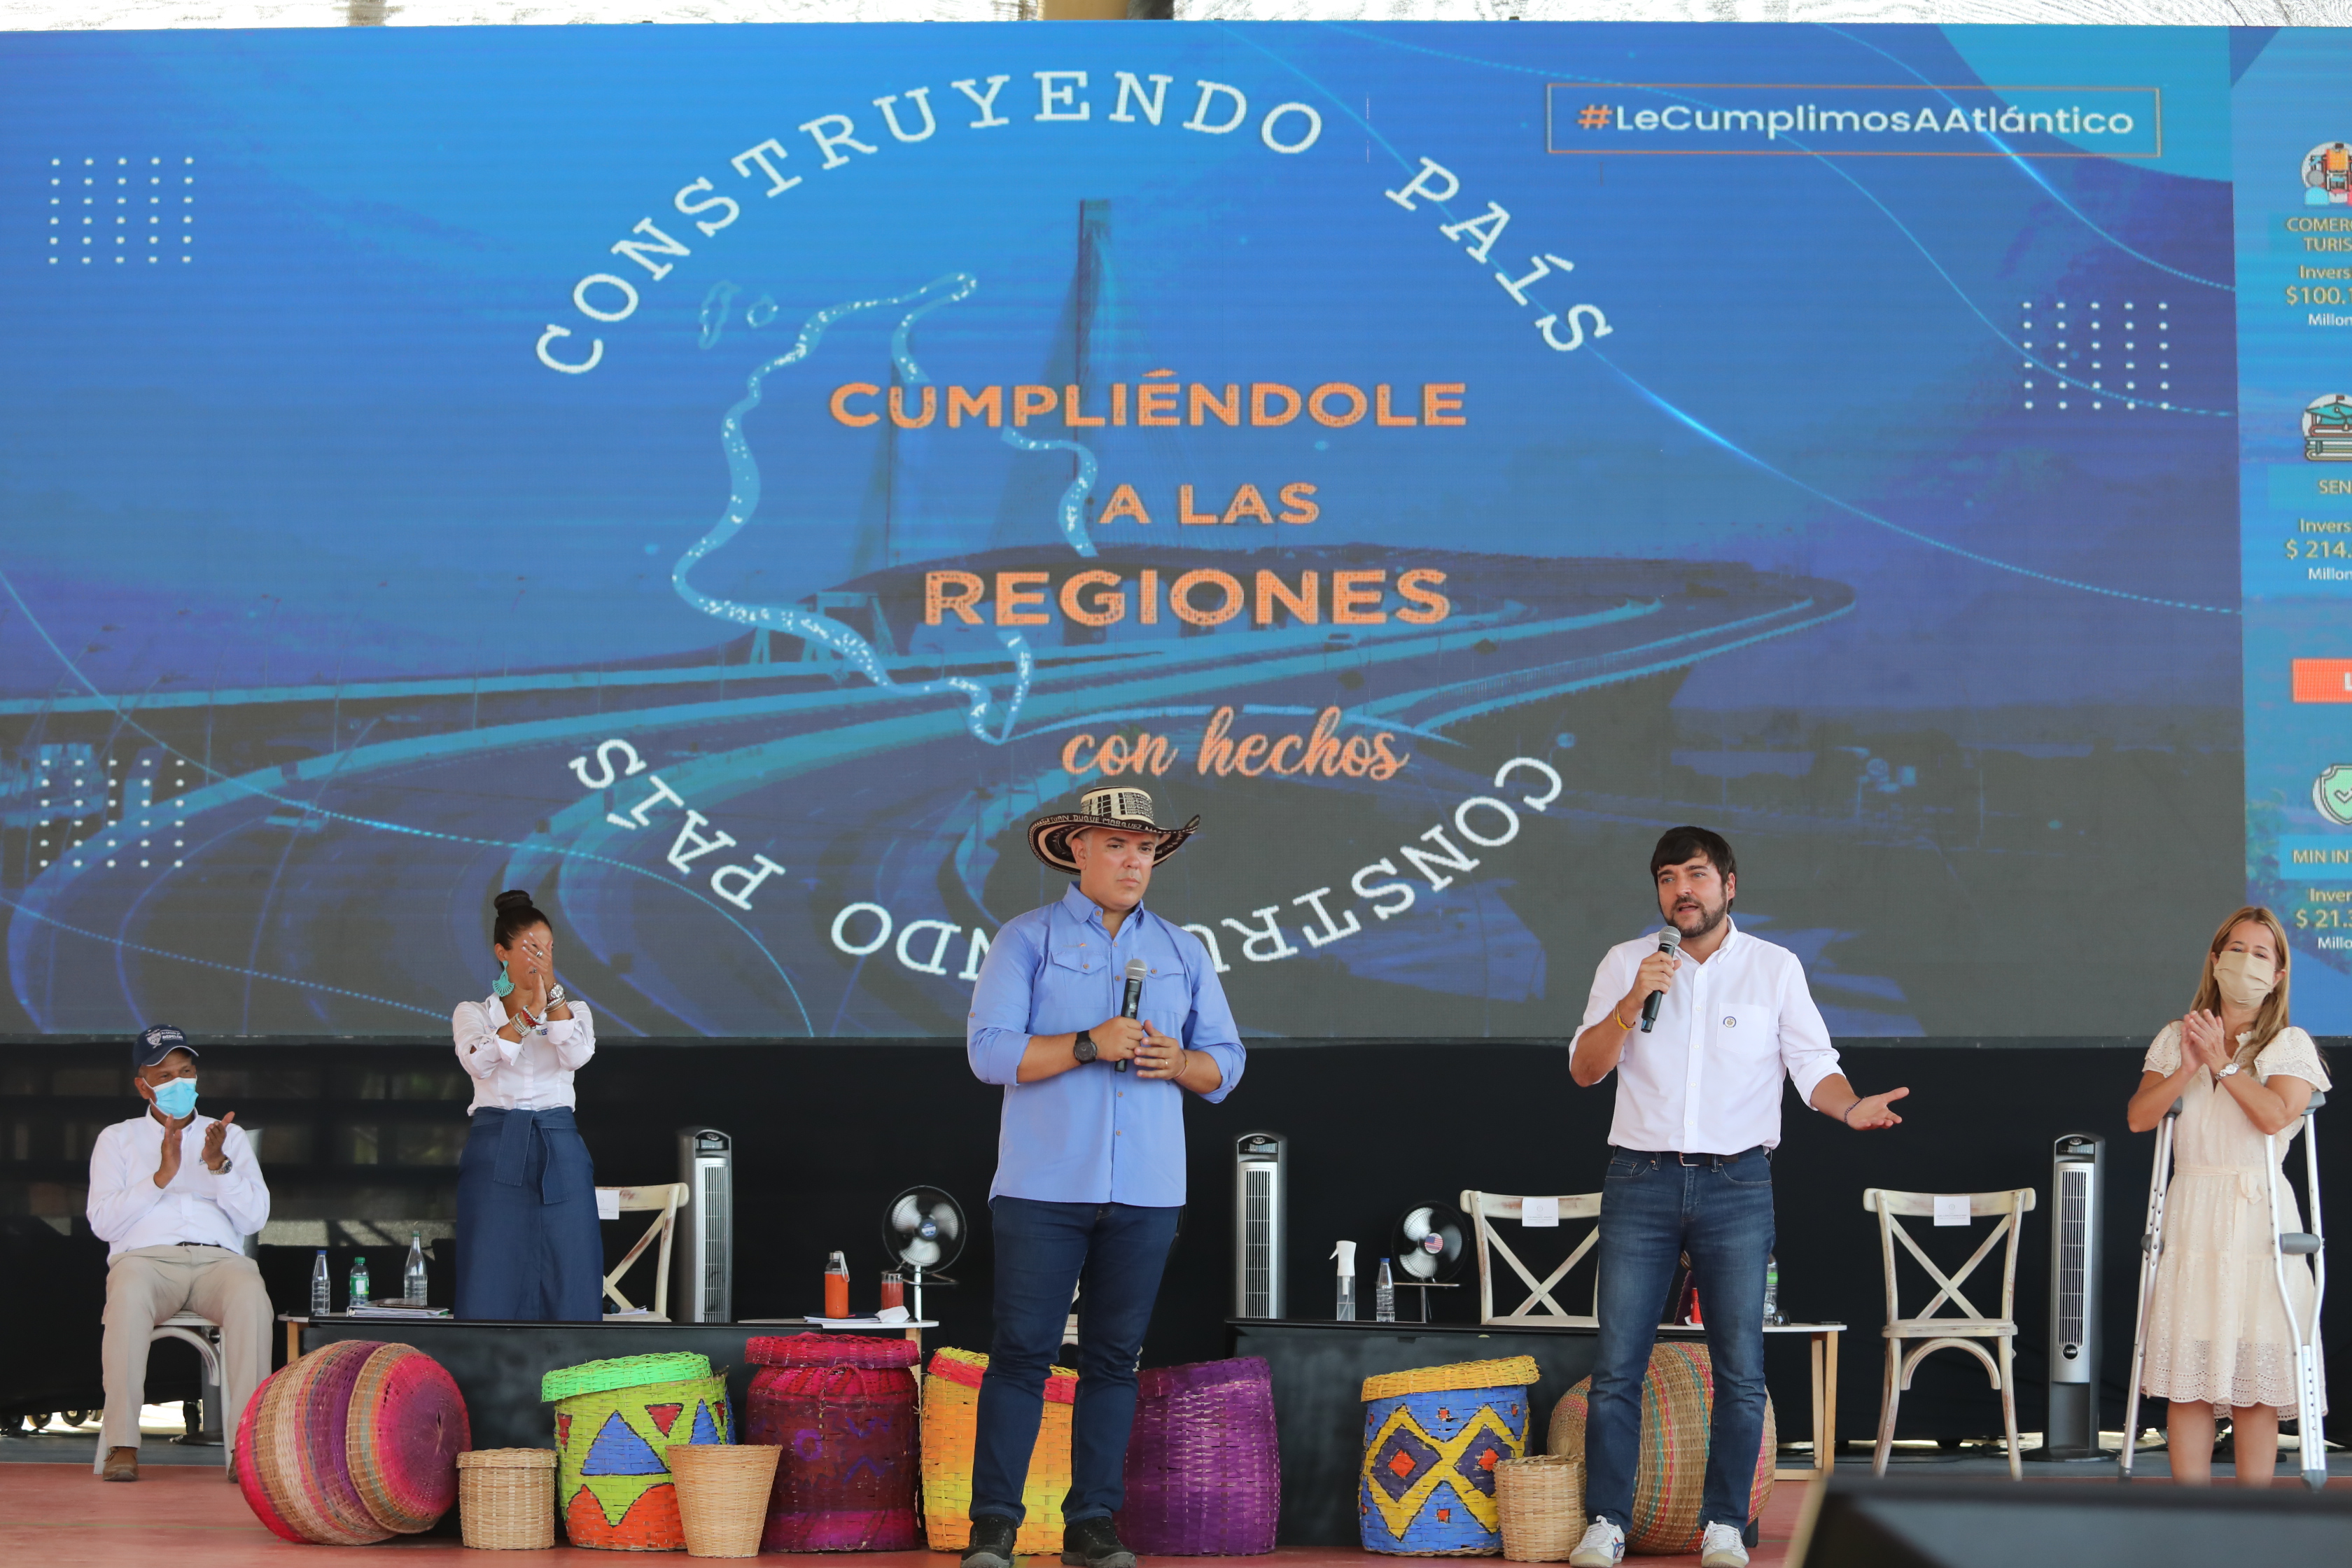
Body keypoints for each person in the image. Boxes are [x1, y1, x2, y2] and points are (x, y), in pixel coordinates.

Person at [1566, 827, 1910, 1568]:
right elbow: (1586, 1069)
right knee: (1619, 1362)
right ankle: (1607, 1521)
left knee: (1740, 1368)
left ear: (1729, 884)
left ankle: (1724, 1523)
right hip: (1641, 1178)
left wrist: (1850, 1108)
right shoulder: (1628, 963)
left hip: (1738, 1183)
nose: (1681, 889)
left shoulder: (1773, 967)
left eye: (1696, 874)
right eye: (1667, 877)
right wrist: (1632, 1002)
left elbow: (1813, 1063)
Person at [960, 786, 1244, 1568]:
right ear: (1076, 849)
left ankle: (1092, 1524)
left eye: (1145, 848)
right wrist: (1089, 1042)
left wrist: (1176, 1061)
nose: (1133, 860)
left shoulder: (1184, 949)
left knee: (1115, 1358)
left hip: (1148, 1188)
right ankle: (994, 1526)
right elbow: (989, 1053)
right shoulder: (1028, 939)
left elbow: (1226, 1065)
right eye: (1116, 845)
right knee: (1022, 1353)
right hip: (1043, 1186)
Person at [2124, 905, 2328, 1486]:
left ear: (2280, 973)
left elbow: (2274, 1116)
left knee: (2254, 1381)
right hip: (2193, 1211)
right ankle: (2192, 1519)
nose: (2246, 962)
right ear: (2215, 960)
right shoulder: (2175, 1036)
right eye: (2235, 949)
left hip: (2257, 1218)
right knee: (2188, 1378)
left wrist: (2226, 1066)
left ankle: (2252, 1517)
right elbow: (2140, 1118)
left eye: (2261, 953)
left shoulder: (2289, 1044)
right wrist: (2188, 1065)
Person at [85, 1024, 272, 1483]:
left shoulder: (229, 1136)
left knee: (251, 1295)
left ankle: (246, 1450)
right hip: (146, 1263)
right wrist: (161, 1177)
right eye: (164, 1075)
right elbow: (103, 1223)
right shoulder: (118, 1138)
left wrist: (220, 1166)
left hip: (218, 1264)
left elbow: (254, 1220)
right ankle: (122, 1444)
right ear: (142, 1084)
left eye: (185, 1071)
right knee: (126, 1295)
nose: (177, 1083)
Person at [451, 888, 601, 1321]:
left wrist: (549, 1002)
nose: (542, 957)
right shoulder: (473, 1012)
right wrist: (526, 1015)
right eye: (530, 948)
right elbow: (478, 1061)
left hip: (560, 1148)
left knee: (570, 1269)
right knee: (491, 1272)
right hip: (497, 1145)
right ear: (503, 954)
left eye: (549, 948)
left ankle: (572, 1380)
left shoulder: (576, 1011)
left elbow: (575, 1055)